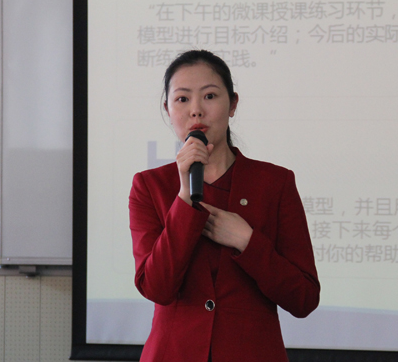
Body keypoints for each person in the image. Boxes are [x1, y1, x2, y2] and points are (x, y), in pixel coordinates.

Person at [129, 50, 320, 362]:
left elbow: (304, 298)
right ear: (167, 109)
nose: (196, 110)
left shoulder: (275, 183)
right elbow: (157, 288)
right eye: (182, 99)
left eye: (210, 96)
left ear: (232, 104)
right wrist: (184, 198)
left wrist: (247, 241)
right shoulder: (149, 186)